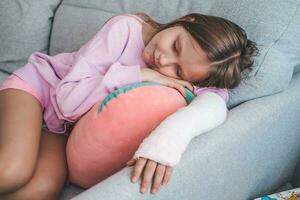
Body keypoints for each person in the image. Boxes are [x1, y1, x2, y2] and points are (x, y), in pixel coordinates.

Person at [0, 11, 258, 199]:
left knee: (40, 190)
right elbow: (67, 100)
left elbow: (214, 103)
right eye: (175, 45)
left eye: (178, 70)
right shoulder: (125, 29)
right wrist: (141, 75)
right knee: (12, 171)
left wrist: (173, 136)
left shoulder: (196, 71)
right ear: (187, 20)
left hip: (60, 130)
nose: (163, 60)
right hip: (39, 89)